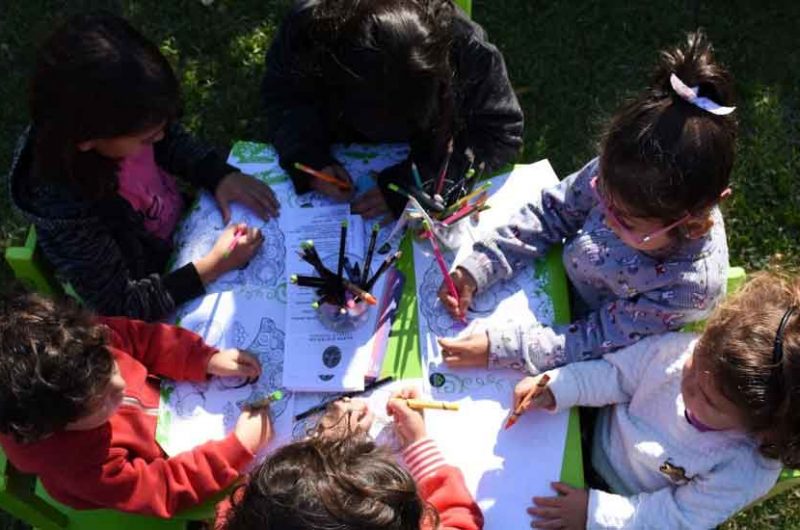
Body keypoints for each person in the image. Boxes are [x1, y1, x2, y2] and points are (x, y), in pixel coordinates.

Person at [437, 31, 736, 374]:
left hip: (590, 336)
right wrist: (480, 267)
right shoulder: (623, 172)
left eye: (624, 220)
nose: (604, 218)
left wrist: (503, 349)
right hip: (558, 286)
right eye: (600, 191)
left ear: (690, 219)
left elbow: (598, 338)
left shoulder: (688, 287)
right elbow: (555, 210)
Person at [8, 12, 280, 321]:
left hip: (185, 236)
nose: (162, 136)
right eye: (148, 138)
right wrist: (213, 266)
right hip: (159, 281)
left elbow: (172, 142)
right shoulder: (66, 209)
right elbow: (122, 304)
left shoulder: (124, 120)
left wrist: (218, 176)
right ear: (86, 139)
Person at [514, 272, 798, 529]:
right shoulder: (677, 353)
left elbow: (675, 517)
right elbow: (615, 375)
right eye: (694, 363)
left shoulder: (744, 468)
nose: (687, 385)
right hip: (588, 438)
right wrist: (560, 387)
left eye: (709, 401)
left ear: (762, 426)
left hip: (626, 508)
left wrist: (592, 513)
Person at [0, 289, 273, 518]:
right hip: (170, 472)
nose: (121, 384)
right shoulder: (80, 467)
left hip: (174, 410)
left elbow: (142, 339)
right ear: (59, 426)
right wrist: (238, 448)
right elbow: (163, 488)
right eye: (102, 401)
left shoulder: (77, 343)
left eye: (111, 366)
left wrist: (204, 359)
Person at [262, 0, 523, 221]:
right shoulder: (308, 32)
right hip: (338, 136)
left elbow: (499, 131)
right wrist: (307, 157)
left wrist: (421, 180)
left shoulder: (465, 48)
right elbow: (285, 98)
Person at [217, 387, 484, 529]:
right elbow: (459, 519)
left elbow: (248, 503)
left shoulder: (253, 515)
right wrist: (418, 443)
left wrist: (323, 446)